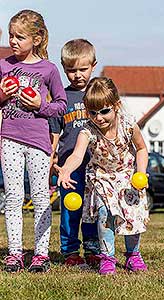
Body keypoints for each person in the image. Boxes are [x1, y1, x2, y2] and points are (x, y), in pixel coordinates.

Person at [55, 77, 149, 275]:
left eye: (104, 111)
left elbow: (141, 149)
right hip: (102, 178)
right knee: (105, 216)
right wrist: (66, 169)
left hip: (127, 176)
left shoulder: (129, 124)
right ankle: (107, 257)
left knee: (131, 215)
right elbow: (77, 155)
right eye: (93, 112)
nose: (99, 118)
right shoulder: (87, 131)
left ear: (116, 105)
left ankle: (133, 255)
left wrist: (141, 172)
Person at [0, 9, 67, 273]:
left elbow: (61, 106)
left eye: (19, 37)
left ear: (36, 39)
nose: (13, 41)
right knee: (13, 197)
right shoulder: (4, 65)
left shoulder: (48, 69)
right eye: (10, 36)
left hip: (39, 142)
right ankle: (15, 253)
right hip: (9, 139)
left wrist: (41, 104)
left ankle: (41, 254)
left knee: (40, 197)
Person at [49, 39, 100, 267]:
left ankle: (93, 249)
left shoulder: (98, 97)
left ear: (93, 65)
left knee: (93, 208)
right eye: (71, 70)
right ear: (63, 68)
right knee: (71, 208)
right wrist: (52, 158)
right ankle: (70, 251)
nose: (77, 75)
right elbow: (54, 131)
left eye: (83, 69)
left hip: (96, 165)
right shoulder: (62, 98)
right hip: (70, 169)